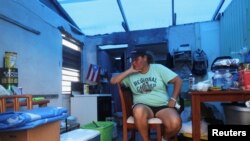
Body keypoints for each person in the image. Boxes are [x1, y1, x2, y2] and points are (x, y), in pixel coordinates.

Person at [110, 48, 182, 141]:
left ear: (145, 58)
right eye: (132, 60)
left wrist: (173, 99)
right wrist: (129, 71)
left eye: (136, 59)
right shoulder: (131, 74)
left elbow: (178, 80)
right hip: (143, 106)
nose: (134, 62)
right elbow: (113, 81)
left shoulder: (158, 68)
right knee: (139, 110)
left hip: (162, 106)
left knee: (175, 123)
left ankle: (164, 138)